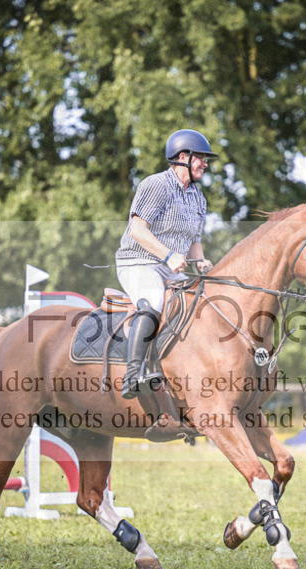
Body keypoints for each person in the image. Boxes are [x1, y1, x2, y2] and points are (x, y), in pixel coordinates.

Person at [115, 129, 217, 399]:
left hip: (171, 270)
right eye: (201, 158)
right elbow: (138, 229)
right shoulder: (155, 185)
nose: (205, 164)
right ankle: (133, 374)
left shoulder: (198, 197)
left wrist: (201, 261)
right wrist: (169, 255)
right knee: (153, 302)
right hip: (138, 262)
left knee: (200, 305)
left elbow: (194, 240)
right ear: (183, 157)